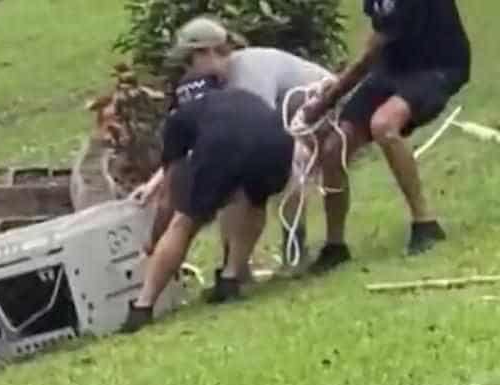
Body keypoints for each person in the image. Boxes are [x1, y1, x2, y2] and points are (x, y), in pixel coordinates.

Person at [132, 17, 337, 276]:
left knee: (291, 159)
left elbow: (263, 132)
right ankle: (234, 267)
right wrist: (153, 185)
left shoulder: (249, 72)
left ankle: (295, 252)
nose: (187, 71)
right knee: (231, 177)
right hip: (288, 121)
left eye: (188, 61)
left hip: (328, 113)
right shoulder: (216, 83)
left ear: (209, 52)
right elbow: (189, 146)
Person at [300, 0, 471, 271]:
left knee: (384, 125)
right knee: (334, 147)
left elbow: (372, 51)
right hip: (393, 69)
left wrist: (328, 100)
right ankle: (335, 246)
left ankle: (425, 224)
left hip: (437, 66)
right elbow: (376, 35)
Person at [123, 71, 295, 333]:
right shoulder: (240, 96)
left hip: (222, 143)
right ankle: (230, 279)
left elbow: (169, 197)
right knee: (254, 201)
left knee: (185, 221)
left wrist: (153, 242)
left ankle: (142, 308)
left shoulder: (179, 119)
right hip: (276, 139)